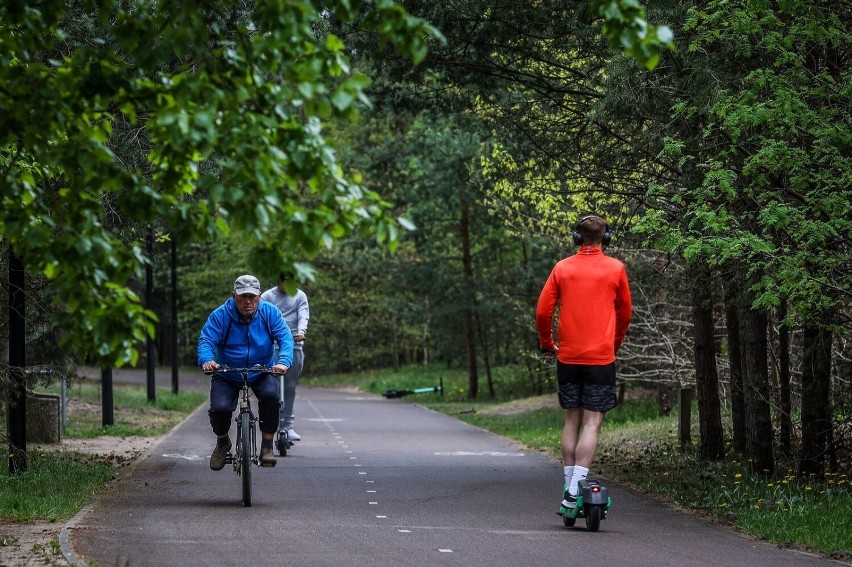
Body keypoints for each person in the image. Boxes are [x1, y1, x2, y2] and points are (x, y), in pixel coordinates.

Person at [535, 215, 632, 511]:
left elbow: (542, 312)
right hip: (600, 357)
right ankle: (576, 489)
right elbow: (625, 313)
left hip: (568, 355)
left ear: (577, 237)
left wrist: (547, 344)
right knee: (592, 421)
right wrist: (613, 343)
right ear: (606, 237)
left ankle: (569, 490)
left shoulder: (562, 268)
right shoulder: (615, 268)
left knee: (572, 419)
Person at [198, 274, 294, 470]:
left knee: (270, 397)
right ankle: (223, 443)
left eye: (253, 297)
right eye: (243, 297)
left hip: (262, 370)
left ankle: (267, 445)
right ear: (234, 295)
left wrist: (283, 362)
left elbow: (285, 338)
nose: (248, 302)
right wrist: (208, 360)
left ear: (259, 296)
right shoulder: (221, 315)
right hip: (227, 371)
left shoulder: (270, 313)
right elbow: (207, 340)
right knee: (220, 408)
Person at [261, 272, 310, 442]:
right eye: (285, 282)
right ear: (279, 281)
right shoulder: (267, 296)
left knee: (289, 387)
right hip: (272, 345)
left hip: (295, 343)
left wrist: (301, 331)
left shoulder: (300, 296)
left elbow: (303, 315)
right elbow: (262, 317)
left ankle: (288, 427)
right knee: (271, 388)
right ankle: (270, 425)